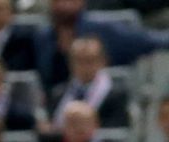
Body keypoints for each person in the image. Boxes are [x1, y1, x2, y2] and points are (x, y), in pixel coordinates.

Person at [34, 0, 169, 92]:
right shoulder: (42, 37)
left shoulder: (104, 30)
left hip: (103, 103)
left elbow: (149, 41)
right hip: (58, 105)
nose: (65, 5)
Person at [49, 36, 129, 129]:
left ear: (103, 62)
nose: (84, 66)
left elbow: (114, 131)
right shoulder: (58, 93)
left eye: (90, 60)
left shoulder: (116, 95)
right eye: (78, 60)